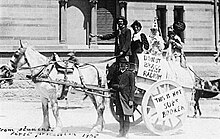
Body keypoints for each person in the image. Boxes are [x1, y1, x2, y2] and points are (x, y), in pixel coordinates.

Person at [111, 57, 136, 137]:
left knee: (127, 116)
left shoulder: (130, 74)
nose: (122, 66)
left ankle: (126, 132)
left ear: (126, 65)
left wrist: (131, 99)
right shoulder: (116, 74)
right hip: (118, 97)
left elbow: (133, 87)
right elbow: (112, 84)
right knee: (120, 116)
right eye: (121, 64)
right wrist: (118, 86)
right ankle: (121, 132)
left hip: (126, 97)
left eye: (124, 65)